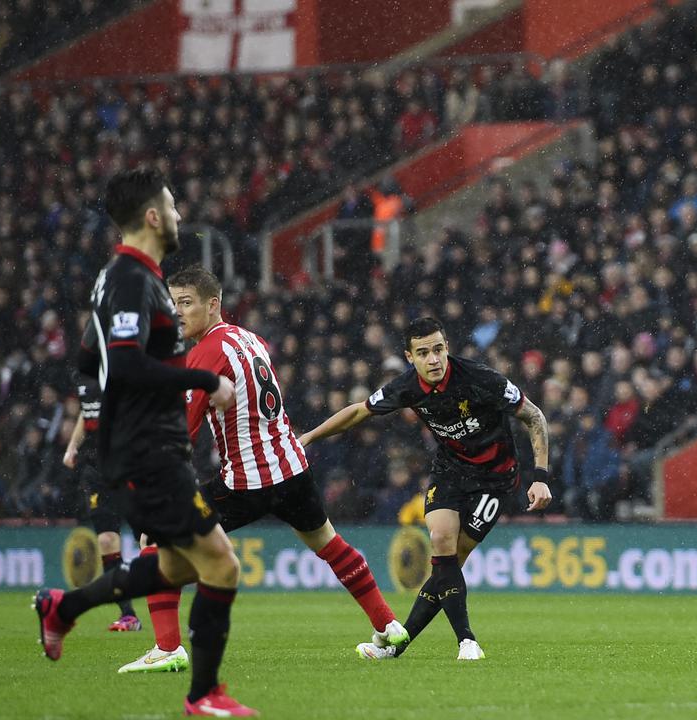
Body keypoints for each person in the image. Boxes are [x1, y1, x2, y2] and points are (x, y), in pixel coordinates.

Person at [32, 168, 255, 716]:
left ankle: (63, 607)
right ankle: (203, 695)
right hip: (149, 451)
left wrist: (96, 420)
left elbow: (89, 363)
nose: (179, 215)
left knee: (178, 566)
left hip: (141, 447)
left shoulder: (118, 278)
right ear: (153, 216)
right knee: (222, 566)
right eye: (174, 206)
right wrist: (205, 381)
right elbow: (126, 365)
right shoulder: (132, 279)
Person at [116, 266, 409, 673]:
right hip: (292, 467)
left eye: (186, 303)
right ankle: (389, 625)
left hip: (248, 480)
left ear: (213, 304)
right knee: (328, 543)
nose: (176, 313)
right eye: (172, 303)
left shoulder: (206, 353)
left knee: (156, 541)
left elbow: (182, 431)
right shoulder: (251, 339)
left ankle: (168, 649)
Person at [299, 317, 552, 660]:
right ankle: (467, 640)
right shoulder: (406, 387)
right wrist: (310, 437)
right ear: (409, 357)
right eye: (423, 353)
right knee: (441, 543)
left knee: (449, 564)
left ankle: (398, 645)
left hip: (495, 478)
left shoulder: (479, 378)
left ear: (447, 348)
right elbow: (360, 412)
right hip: (450, 470)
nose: (433, 359)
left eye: (438, 350)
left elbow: (534, 416)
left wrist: (540, 476)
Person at [61, 372, 141, 632]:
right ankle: (128, 614)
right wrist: (73, 446)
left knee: (149, 540)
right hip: (97, 468)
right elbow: (89, 413)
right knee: (106, 540)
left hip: (132, 466)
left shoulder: (126, 368)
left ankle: (171, 614)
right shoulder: (88, 377)